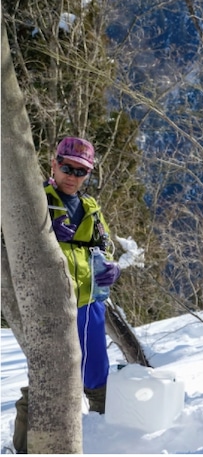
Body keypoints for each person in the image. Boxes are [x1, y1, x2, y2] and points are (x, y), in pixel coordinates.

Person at [13, 137, 121, 453]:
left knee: (98, 378)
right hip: (49, 307)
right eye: (67, 167)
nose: (72, 176)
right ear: (53, 164)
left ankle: (109, 445)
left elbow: (106, 244)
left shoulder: (90, 207)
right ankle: (23, 448)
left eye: (81, 171)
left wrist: (110, 266)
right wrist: (42, 233)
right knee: (48, 379)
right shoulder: (36, 201)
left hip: (89, 302)